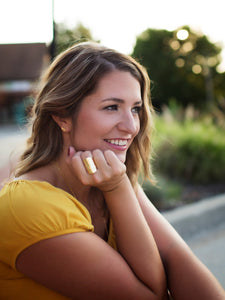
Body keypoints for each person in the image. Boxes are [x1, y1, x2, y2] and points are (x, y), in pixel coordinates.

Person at [0, 42, 224, 300]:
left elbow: (176, 256)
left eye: (135, 109)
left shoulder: (113, 177)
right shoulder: (26, 206)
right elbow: (154, 294)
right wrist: (118, 190)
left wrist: (119, 187)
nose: (131, 126)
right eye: (111, 107)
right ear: (62, 116)